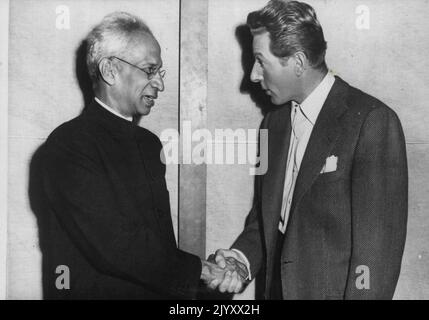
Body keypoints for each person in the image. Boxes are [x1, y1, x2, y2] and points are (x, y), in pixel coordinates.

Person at [37, 12, 244, 299]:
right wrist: (204, 271)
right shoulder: (68, 145)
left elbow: (160, 251)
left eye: (160, 72)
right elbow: (115, 246)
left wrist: (205, 278)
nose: (159, 84)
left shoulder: (149, 144)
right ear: (109, 70)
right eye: (150, 70)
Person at [211, 0, 408, 299]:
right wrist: (243, 258)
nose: (252, 75)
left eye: (261, 61)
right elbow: (267, 220)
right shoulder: (273, 124)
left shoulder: (372, 122)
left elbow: (375, 259)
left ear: (299, 62)